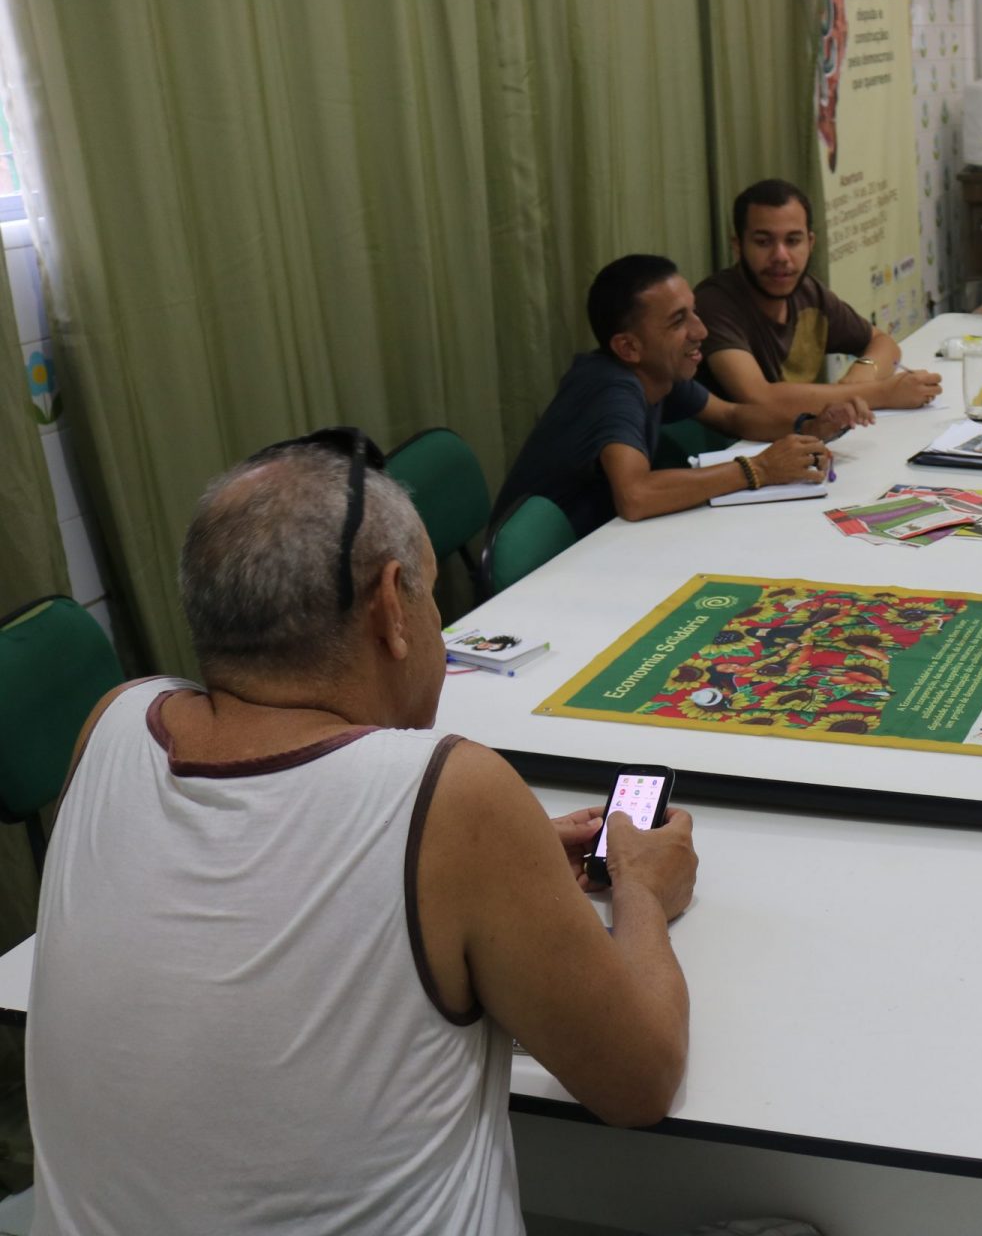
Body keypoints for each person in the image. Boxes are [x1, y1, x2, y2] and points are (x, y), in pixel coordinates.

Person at [26, 431, 701, 1232]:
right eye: (430, 596)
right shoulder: (454, 792)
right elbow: (639, 1082)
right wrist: (643, 890)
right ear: (390, 605)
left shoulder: (113, 720)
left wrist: (496, 873)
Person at [496, 253, 870, 537]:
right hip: (549, 572)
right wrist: (761, 469)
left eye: (694, 312)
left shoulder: (657, 371)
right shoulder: (612, 389)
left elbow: (732, 416)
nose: (701, 330)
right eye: (678, 321)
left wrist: (812, 425)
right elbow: (636, 495)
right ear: (628, 347)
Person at [696, 179, 941, 412]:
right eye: (763, 242)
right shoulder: (714, 303)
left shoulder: (807, 291)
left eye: (793, 241)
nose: (781, 256)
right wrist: (882, 394)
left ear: (810, 243)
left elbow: (883, 343)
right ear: (738, 246)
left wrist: (859, 377)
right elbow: (759, 398)